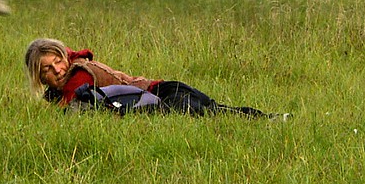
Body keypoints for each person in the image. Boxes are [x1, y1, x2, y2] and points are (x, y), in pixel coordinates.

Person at [24, 38, 283, 119]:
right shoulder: (62, 84)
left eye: (57, 61)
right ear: (40, 77)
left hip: (164, 94)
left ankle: (271, 119)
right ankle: (271, 119)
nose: (57, 69)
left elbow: (71, 113)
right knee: (219, 113)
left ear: (65, 58)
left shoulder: (79, 74)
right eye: (47, 69)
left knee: (214, 115)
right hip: (163, 92)